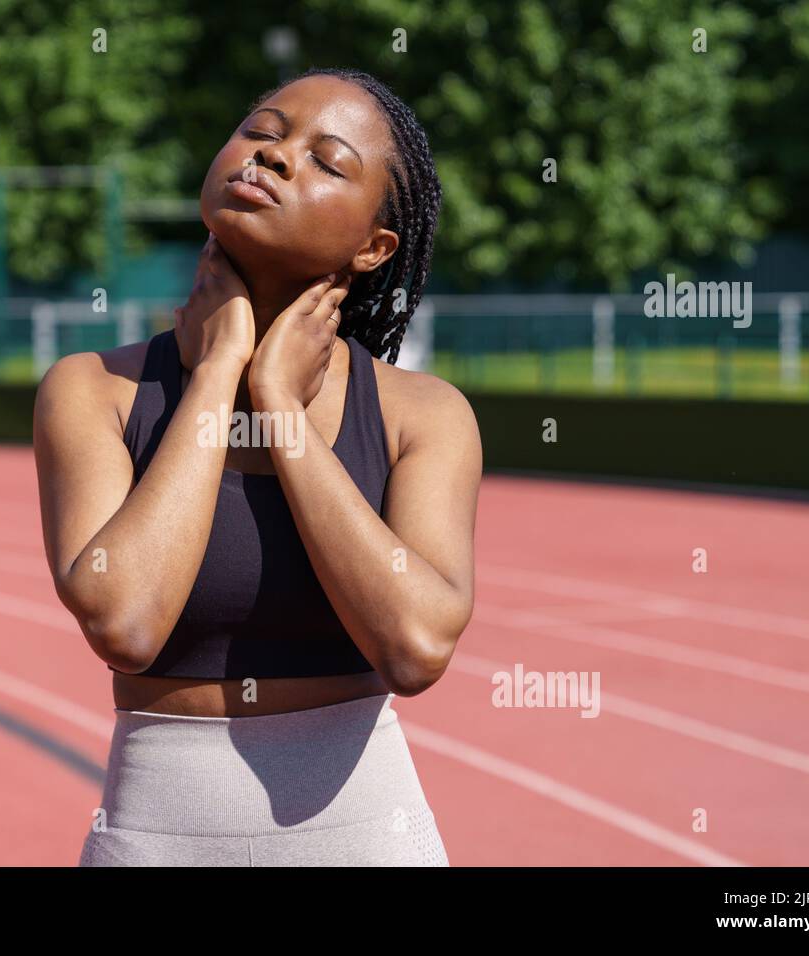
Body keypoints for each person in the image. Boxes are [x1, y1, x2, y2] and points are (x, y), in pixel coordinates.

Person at [33, 67, 482, 866]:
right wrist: (215, 374)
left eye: (326, 161)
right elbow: (126, 622)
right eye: (263, 133)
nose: (274, 157)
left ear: (375, 247)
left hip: (369, 844)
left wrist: (277, 404)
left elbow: (415, 647)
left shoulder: (426, 416)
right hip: (153, 841)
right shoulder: (92, 392)